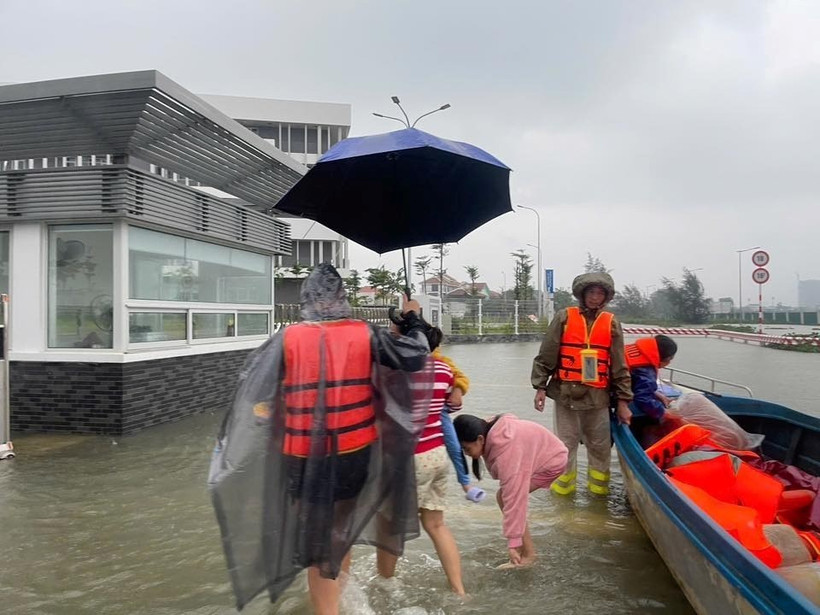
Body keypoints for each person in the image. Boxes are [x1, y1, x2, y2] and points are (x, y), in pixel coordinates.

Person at [208, 264, 433, 615]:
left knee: (318, 543)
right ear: (342, 297)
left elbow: (251, 389)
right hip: (353, 454)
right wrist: (412, 320)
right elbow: (416, 355)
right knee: (338, 530)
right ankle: (339, 598)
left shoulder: (286, 338)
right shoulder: (366, 333)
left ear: (307, 299)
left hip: (301, 459)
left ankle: (329, 608)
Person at [376, 324, 467, 597]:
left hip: (409, 458)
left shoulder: (394, 373)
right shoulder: (443, 370)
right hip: (437, 454)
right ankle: (459, 590)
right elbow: (451, 405)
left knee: (389, 528)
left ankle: (385, 585)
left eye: (395, 336)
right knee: (436, 525)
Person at [531, 272, 633, 496]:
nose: (595, 297)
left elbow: (619, 365)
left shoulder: (611, 323)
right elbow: (547, 354)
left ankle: (598, 498)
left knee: (600, 449)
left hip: (598, 399)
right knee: (564, 448)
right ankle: (562, 501)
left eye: (600, 293)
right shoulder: (564, 317)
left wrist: (624, 402)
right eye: (591, 292)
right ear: (582, 294)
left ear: (605, 298)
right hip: (566, 396)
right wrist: (540, 387)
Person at [453, 413, 568, 568]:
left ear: (480, 439)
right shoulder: (489, 428)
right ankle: (522, 547)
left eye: (467, 449)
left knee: (506, 497)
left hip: (553, 460)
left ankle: (529, 555)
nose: (466, 454)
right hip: (543, 451)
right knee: (504, 496)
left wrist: (512, 543)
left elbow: (515, 499)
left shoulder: (507, 454)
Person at [430, 328, 486, 502]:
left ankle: (466, 485)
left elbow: (460, 377)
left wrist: (458, 389)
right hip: (419, 414)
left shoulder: (440, 360)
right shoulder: (401, 356)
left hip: (440, 410)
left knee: (454, 447)